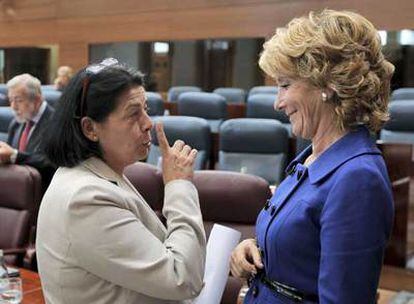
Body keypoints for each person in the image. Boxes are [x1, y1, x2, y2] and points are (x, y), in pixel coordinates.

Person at [230, 9, 394, 303]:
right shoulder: (308, 160)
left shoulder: (357, 178)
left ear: (327, 86)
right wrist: (253, 247)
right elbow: (306, 244)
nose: (277, 103)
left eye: (284, 85)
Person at [36, 58, 206, 304]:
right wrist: (179, 186)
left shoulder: (99, 175)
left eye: (146, 109)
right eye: (133, 113)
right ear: (90, 129)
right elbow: (182, 278)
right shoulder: (85, 199)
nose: (148, 123)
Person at [0, 73, 55, 189]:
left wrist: (15, 156)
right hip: (17, 190)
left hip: (43, 192)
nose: (13, 107)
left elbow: (53, 164)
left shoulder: (57, 123)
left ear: (37, 100)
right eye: (11, 100)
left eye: (18, 100)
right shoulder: (16, 123)